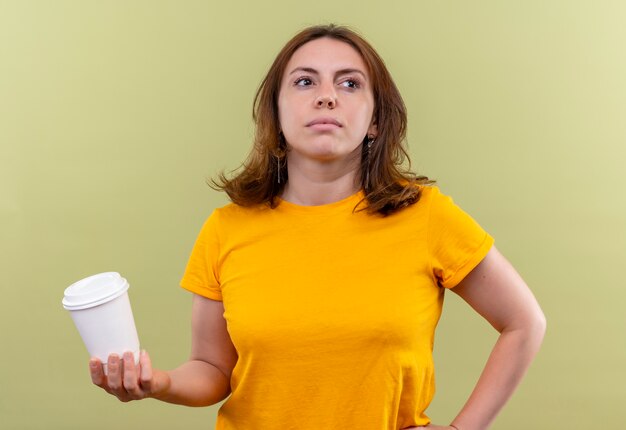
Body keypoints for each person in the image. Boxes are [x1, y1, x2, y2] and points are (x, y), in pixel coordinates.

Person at [89, 24, 546, 430]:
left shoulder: (426, 215)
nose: (326, 95)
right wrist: (156, 382)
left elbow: (524, 322)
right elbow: (212, 368)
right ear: (277, 113)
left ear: (375, 122)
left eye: (349, 84)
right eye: (305, 81)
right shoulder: (226, 228)